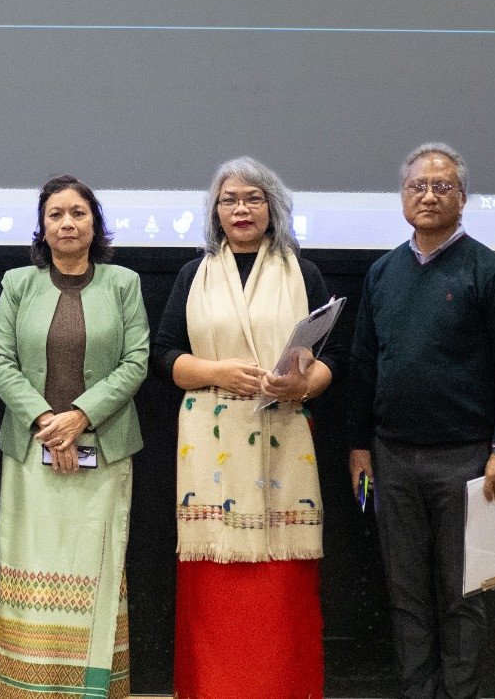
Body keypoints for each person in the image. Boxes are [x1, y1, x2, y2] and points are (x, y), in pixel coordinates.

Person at [150, 157, 345, 699]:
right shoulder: (193, 275)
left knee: (282, 587)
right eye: (229, 199)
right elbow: (163, 356)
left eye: (253, 198)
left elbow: (336, 357)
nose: (241, 209)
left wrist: (302, 386)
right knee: (214, 587)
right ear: (215, 211)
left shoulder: (303, 273)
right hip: (211, 448)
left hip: (284, 441)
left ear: (272, 207)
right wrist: (217, 372)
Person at [346, 143, 495, 699]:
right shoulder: (382, 273)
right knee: (405, 596)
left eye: (442, 187)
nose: (428, 196)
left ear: (463, 197)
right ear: (402, 197)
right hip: (391, 460)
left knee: (464, 595)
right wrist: (359, 447)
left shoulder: (489, 271)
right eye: (417, 187)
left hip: (468, 462)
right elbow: (363, 363)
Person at [0, 176, 150, 699]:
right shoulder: (18, 284)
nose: (67, 223)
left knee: (97, 572)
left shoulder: (123, 283)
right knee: (33, 570)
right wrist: (46, 423)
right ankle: (28, 688)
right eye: (55, 214)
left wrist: (79, 417)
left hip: (105, 452)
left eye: (78, 213)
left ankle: (93, 689)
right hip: (30, 453)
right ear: (42, 226)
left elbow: (136, 362)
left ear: (95, 223)